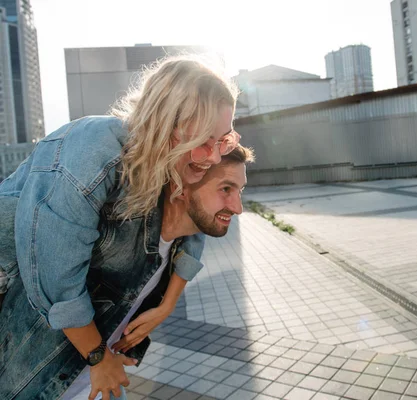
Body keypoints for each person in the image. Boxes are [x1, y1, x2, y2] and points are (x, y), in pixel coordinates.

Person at [0, 54, 243, 399]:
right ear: (164, 123)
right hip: (17, 311)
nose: (216, 156)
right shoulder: (95, 149)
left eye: (224, 140)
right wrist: (98, 358)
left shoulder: (170, 167)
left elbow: (193, 223)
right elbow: (53, 275)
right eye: (205, 140)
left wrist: (167, 305)